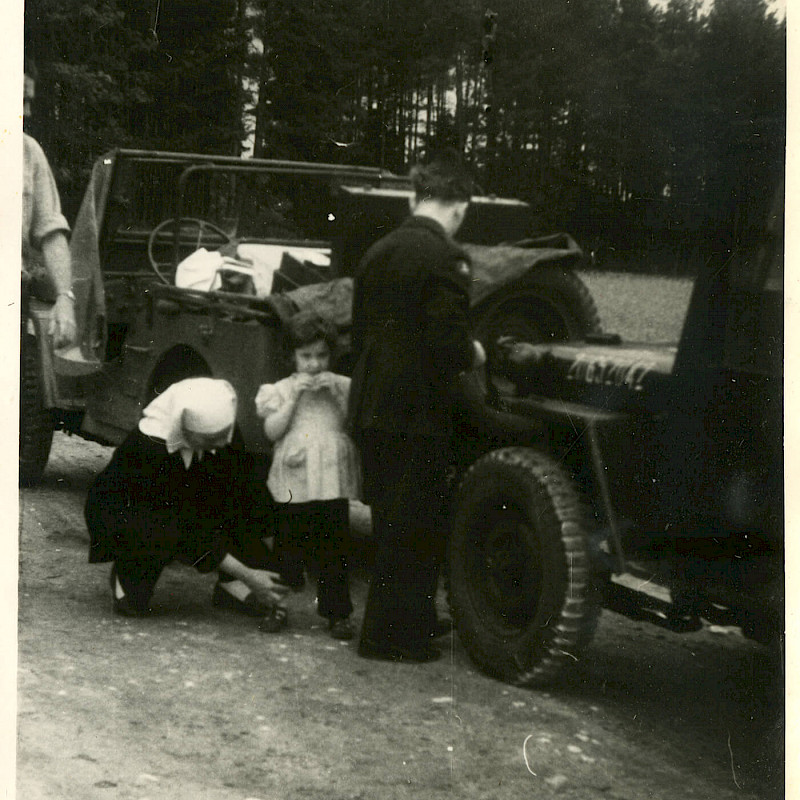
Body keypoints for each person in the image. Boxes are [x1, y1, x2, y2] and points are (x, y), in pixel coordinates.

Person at [346, 153, 486, 663]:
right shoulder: (445, 259)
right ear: (460, 207)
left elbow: (358, 333)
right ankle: (390, 638)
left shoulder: (377, 252)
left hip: (372, 405)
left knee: (391, 519)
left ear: (415, 197)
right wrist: (473, 350)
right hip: (415, 412)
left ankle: (414, 618)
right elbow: (448, 345)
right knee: (417, 524)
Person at [85, 378, 289, 622]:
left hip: (180, 503)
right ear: (185, 430)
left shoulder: (221, 432)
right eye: (210, 439)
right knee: (145, 564)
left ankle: (229, 587)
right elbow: (182, 528)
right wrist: (250, 575)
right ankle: (127, 576)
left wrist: (266, 560)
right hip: (127, 512)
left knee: (241, 488)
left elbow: (242, 490)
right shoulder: (150, 449)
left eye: (225, 434)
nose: (221, 443)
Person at [255, 311, 360, 639]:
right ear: (292, 357)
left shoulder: (343, 386)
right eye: (306, 357)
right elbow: (272, 432)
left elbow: (351, 423)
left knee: (335, 547)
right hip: (294, 479)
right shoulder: (281, 389)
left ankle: (337, 613)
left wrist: (337, 396)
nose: (314, 364)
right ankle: (277, 605)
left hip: (330, 478)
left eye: (321, 356)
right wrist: (295, 397)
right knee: (286, 545)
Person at [22, 59, 76, 347]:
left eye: (29, 101)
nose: (27, 112)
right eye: (20, 100)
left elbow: (51, 231)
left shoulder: (28, 152)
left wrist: (65, 298)